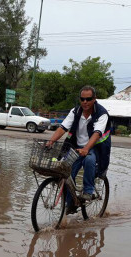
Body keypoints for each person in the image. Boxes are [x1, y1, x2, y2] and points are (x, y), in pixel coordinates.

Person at [47, 85, 112, 215]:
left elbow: (97, 133)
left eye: (88, 99)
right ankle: (71, 203)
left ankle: (88, 191)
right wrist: (51, 141)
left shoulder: (102, 113)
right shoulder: (75, 111)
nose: (85, 102)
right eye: (82, 99)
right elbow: (63, 128)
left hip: (94, 147)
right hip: (75, 147)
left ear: (94, 99)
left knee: (89, 160)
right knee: (65, 172)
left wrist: (86, 149)